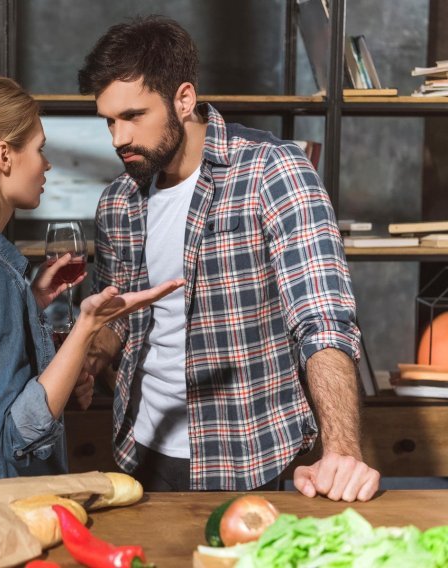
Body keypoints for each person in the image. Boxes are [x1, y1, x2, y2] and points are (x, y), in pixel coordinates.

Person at [76, 16, 380, 501]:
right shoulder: (118, 201)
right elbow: (119, 319)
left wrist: (341, 448)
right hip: (141, 449)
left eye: (133, 116)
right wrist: (90, 357)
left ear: (184, 99)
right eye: (109, 121)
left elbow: (322, 319)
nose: (118, 138)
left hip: (248, 452)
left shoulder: (272, 171)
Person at [0, 76, 184, 483]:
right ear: (4, 156)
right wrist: (86, 328)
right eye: (39, 149)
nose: (46, 163)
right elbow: (17, 432)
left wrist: (30, 302)